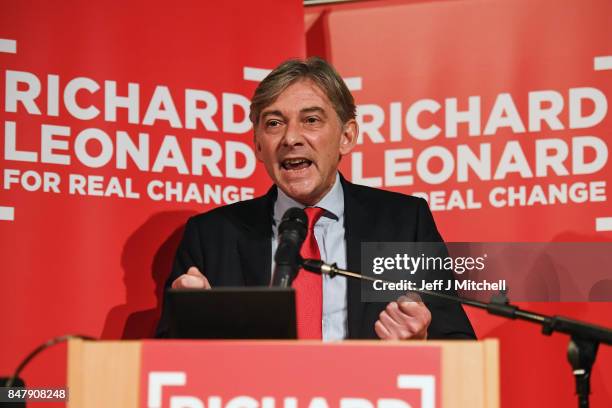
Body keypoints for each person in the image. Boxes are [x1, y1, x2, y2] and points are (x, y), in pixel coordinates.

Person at [156, 57, 475, 340]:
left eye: (311, 120)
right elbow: (165, 364)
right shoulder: (212, 236)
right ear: (257, 146)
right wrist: (191, 328)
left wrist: (420, 340)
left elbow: (458, 345)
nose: (291, 138)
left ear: (347, 136)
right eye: (274, 123)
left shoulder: (402, 223)